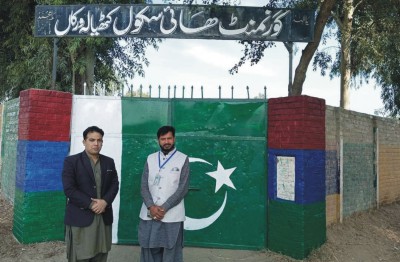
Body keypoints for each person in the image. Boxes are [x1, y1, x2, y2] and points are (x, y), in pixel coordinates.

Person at [62, 126, 119, 262]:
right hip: (81, 217)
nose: (96, 143)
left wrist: (105, 202)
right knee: (81, 256)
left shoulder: (109, 162)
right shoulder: (72, 161)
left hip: (103, 217)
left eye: (99, 140)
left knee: (101, 254)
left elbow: (114, 184)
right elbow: (69, 189)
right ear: (84, 141)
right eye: (92, 140)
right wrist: (91, 204)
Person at [138, 125, 190, 262]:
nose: (166, 142)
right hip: (150, 212)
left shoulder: (183, 159)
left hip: (172, 214)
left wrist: (164, 207)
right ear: (158, 140)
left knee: (171, 249)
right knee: (149, 248)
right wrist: (151, 206)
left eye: (169, 138)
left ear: (174, 139)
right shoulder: (150, 158)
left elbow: (183, 188)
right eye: (163, 139)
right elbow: (143, 185)